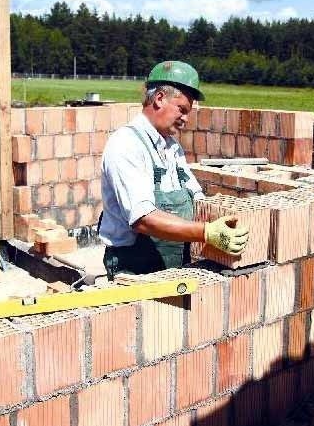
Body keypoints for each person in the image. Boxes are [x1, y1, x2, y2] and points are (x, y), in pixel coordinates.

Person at [99, 60, 249, 278]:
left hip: (173, 263)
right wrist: (207, 232)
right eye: (182, 110)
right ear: (160, 98)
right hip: (134, 266)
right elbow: (143, 219)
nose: (186, 119)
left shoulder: (171, 146)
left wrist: (222, 210)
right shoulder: (127, 144)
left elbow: (195, 196)